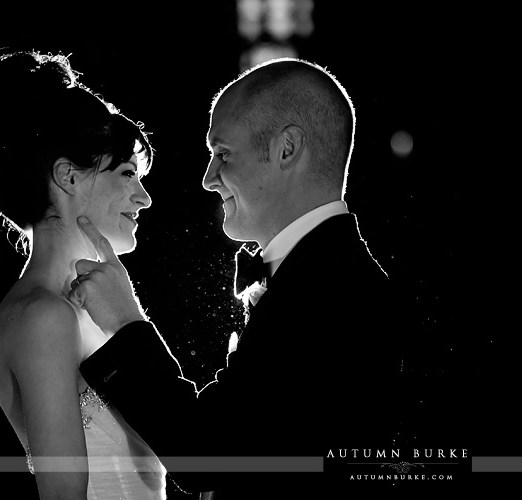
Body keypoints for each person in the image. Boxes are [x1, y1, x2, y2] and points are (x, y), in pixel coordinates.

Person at [69, 58, 409, 496]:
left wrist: (125, 324)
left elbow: (208, 456)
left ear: (287, 149)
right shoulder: (314, 274)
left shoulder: (336, 292)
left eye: (223, 154)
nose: (210, 179)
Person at [0, 48, 166, 500]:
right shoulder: (43, 317)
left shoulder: (86, 304)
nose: (144, 198)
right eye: (127, 173)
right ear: (68, 176)